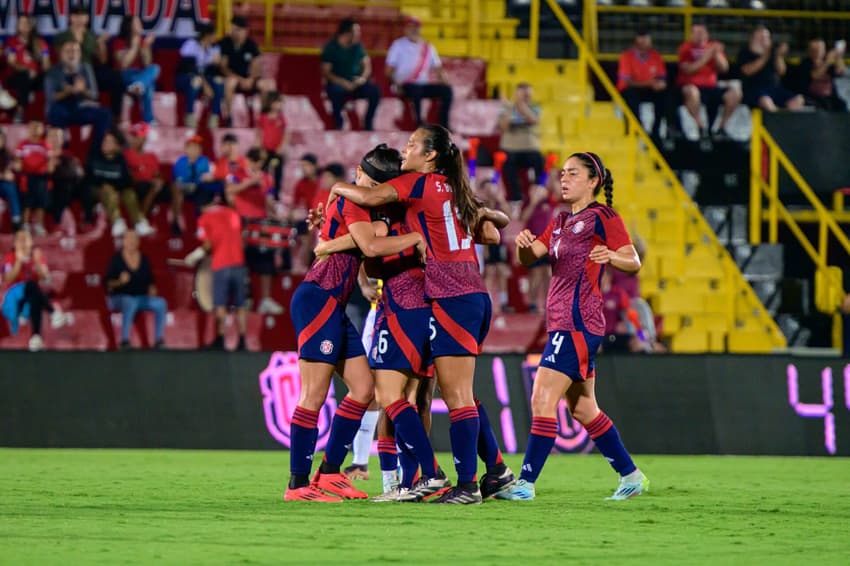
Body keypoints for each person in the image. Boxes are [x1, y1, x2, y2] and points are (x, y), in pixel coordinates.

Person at [329, 125, 506, 504]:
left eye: (412, 145)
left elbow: (368, 200)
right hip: (462, 293)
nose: (406, 149)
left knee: (447, 395)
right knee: (443, 394)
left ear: (430, 157)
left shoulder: (418, 184)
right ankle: (493, 471)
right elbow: (493, 235)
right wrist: (486, 213)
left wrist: (336, 189)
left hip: (450, 295)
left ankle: (462, 484)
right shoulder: (454, 190)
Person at [500, 151, 649, 501]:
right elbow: (531, 257)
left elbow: (634, 260)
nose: (563, 179)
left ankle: (524, 484)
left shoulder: (603, 216)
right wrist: (522, 247)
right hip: (561, 322)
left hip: (578, 321)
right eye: (562, 173)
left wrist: (611, 256)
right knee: (583, 408)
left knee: (542, 397)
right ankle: (630, 475)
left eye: (572, 173)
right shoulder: (561, 221)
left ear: (593, 180)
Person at [284, 144, 429, 502]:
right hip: (318, 298)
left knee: (364, 389)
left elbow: (365, 248)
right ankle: (299, 484)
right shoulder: (355, 202)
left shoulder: (357, 203)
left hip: (335, 303)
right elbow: (371, 246)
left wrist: (332, 245)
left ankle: (331, 473)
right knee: (313, 394)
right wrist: (414, 237)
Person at [224, 146, 283, 315]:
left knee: (266, 259)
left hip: (261, 222)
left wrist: (275, 207)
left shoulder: (266, 177)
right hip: (241, 222)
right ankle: (240, 299)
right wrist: (250, 182)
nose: (259, 166)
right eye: (257, 162)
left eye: (261, 163)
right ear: (249, 160)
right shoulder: (237, 173)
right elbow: (229, 190)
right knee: (241, 262)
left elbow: (270, 199)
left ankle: (265, 300)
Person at [185, 194, 248, 351]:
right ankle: (242, 341)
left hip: (221, 264)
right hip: (239, 264)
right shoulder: (233, 213)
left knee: (220, 304)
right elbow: (241, 239)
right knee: (240, 304)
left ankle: (221, 339)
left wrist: (195, 256)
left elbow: (207, 244)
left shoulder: (204, 218)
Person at [1, 230, 67, 351]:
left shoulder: (37, 257)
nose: (23, 243)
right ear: (15, 243)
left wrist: (36, 262)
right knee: (32, 286)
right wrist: (19, 261)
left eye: (25, 239)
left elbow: (45, 277)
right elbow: (8, 277)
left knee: (36, 294)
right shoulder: (9, 257)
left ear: (31, 242)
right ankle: (53, 313)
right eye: (20, 240)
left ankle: (36, 337)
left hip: (30, 299)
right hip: (14, 298)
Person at [53, 4, 121, 121]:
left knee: (115, 78)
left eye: (82, 16)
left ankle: (116, 116)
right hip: (70, 70)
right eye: (76, 16)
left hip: (90, 69)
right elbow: (59, 57)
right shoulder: (62, 36)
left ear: (87, 18)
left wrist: (101, 44)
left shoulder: (91, 36)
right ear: (70, 18)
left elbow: (102, 60)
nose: (79, 19)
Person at [385, 16, 453, 129]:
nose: (414, 30)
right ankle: (418, 124)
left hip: (423, 85)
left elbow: (438, 68)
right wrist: (396, 84)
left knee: (446, 91)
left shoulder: (428, 47)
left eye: (416, 27)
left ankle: (443, 124)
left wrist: (444, 80)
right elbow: (388, 70)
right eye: (411, 27)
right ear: (406, 29)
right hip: (404, 84)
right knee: (415, 90)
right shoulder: (398, 45)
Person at [677, 23, 742, 138]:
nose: (699, 36)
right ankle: (700, 127)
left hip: (711, 86)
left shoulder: (713, 47)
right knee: (691, 92)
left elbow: (724, 68)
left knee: (735, 93)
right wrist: (708, 55)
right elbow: (689, 69)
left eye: (702, 32)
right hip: (691, 85)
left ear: (707, 34)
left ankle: (722, 127)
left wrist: (716, 54)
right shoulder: (685, 48)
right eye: (696, 33)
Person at [105, 229, 167, 349]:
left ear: (138, 242)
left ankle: (159, 339)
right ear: (124, 241)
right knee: (129, 301)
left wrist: (152, 288)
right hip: (118, 298)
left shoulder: (144, 259)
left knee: (160, 303)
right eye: (129, 239)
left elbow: (150, 280)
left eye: (134, 239)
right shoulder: (116, 259)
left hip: (140, 298)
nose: (132, 242)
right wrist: (119, 281)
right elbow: (108, 284)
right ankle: (124, 340)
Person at [45, 40, 111, 147]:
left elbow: (94, 95)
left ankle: (96, 148)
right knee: (55, 113)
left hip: (80, 107)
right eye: (69, 51)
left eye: (76, 51)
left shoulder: (86, 68)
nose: (72, 54)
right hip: (60, 108)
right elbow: (51, 97)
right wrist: (68, 91)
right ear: (62, 54)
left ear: (80, 54)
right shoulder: (53, 71)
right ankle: (62, 148)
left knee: (105, 114)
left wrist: (83, 90)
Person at [320, 18, 381, 131]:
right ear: (347, 33)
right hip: (338, 83)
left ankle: (368, 123)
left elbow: (367, 65)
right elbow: (326, 72)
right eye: (356, 32)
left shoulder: (358, 47)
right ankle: (338, 123)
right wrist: (343, 83)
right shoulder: (331, 47)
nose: (359, 35)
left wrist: (362, 79)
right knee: (335, 91)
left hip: (356, 83)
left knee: (375, 91)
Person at [85, 130, 143, 237]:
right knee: (109, 191)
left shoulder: (121, 160)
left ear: (117, 146)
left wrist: (114, 187)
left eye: (110, 141)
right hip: (96, 190)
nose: (106, 143)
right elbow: (89, 178)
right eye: (105, 141)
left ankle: (139, 222)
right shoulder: (94, 156)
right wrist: (105, 184)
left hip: (115, 190)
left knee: (129, 193)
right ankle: (117, 221)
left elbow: (126, 181)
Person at [218, 16, 276, 124]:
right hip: (234, 78)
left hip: (249, 79)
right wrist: (240, 79)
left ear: (245, 31)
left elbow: (256, 66)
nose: (235, 32)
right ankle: (228, 117)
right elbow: (223, 67)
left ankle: (264, 117)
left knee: (268, 85)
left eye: (238, 30)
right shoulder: (225, 43)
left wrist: (251, 79)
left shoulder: (251, 45)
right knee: (230, 83)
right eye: (233, 29)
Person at [738, 25, 804, 112]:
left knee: (798, 99)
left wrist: (779, 56)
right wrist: (766, 55)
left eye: (766, 37)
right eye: (761, 38)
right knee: (766, 101)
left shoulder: (773, 54)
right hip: (754, 90)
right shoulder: (745, 53)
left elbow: (781, 71)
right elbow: (747, 71)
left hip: (773, 88)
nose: (764, 40)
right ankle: (776, 119)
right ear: (752, 38)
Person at [499, 83, 545, 202]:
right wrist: (510, 108)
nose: (525, 95)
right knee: (507, 162)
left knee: (539, 159)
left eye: (527, 93)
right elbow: (503, 126)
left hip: (529, 150)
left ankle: (537, 188)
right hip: (511, 150)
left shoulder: (535, 107)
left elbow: (533, 120)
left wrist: (520, 104)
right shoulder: (507, 108)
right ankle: (516, 198)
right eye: (522, 93)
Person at [617, 30, 667, 138]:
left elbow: (661, 77)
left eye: (647, 39)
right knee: (630, 95)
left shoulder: (655, 56)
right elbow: (628, 82)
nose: (645, 42)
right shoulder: (626, 56)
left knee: (665, 95)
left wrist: (661, 84)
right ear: (636, 41)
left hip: (649, 88)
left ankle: (657, 129)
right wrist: (649, 83)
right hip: (632, 89)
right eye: (642, 39)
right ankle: (637, 128)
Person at [113, 15, 160, 124]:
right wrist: (134, 46)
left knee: (155, 68)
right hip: (125, 75)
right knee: (148, 85)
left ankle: (138, 85)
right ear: (129, 26)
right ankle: (148, 119)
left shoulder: (142, 41)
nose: (140, 25)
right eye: (137, 23)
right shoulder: (119, 41)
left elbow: (147, 64)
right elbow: (124, 64)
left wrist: (146, 46)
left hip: (140, 75)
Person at [176, 23, 225, 129]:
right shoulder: (190, 45)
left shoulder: (212, 49)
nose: (215, 38)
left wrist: (218, 63)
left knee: (219, 81)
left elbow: (212, 70)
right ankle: (189, 115)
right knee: (196, 80)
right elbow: (190, 68)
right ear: (207, 35)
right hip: (185, 77)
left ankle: (214, 116)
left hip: (201, 77)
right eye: (214, 35)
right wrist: (205, 86)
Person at [520, 182, 558, 313]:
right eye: (533, 190)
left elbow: (557, 188)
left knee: (548, 273)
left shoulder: (549, 201)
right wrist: (533, 202)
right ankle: (532, 303)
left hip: (547, 243)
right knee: (535, 274)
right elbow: (523, 218)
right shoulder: (528, 204)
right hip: (533, 243)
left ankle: (549, 302)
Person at [5, 14, 50, 123]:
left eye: (27, 23)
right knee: (23, 76)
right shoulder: (12, 42)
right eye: (22, 23)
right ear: (18, 25)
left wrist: (43, 69)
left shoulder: (40, 42)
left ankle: (49, 111)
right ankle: (20, 110)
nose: (25, 26)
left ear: (32, 26)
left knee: (49, 78)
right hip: (17, 76)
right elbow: (12, 62)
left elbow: (46, 63)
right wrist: (26, 70)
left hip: (35, 76)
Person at [477, 179, 513, 316]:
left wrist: (501, 200)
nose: (489, 192)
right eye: (486, 189)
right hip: (485, 242)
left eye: (491, 189)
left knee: (501, 270)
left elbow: (510, 217)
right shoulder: (480, 206)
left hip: (499, 243)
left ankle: (504, 302)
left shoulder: (499, 205)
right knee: (488, 271)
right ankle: (488, 301)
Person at [171, 135, 217, 233]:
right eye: (192, 147)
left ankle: (201, 225)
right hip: (184, 189)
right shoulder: (180, 162)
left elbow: (206, 177)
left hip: (199, 188)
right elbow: (180, 180)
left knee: (205, 190)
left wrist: (198, 181)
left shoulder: (204, 161)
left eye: (197, 147)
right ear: (186, 149)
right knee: (177, 190)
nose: (194, 150)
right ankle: (177, 221)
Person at [15, 120, 52, 237]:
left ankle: (39, 225)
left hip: (41, 177)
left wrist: (49, 168)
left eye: (38, 127)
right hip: (26, 176)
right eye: (32, 127)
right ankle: (25, 225)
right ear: (28, 129)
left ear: (42, 130)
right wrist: (18, 165)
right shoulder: (22, 144)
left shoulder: (45, 144)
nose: (35, 130)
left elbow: (50, 160)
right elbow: (18, 159)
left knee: (41, 201)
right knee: (27, 201)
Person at [123, 122, 160, 236]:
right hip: (134, 184)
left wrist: (158, 180)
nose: (134, 139)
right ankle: (140, 221)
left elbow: (157, 174)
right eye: (132, 136)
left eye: (137, 136)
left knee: (160, 185)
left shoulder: (151, 156)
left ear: (144, 139)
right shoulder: (126, 154)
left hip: (150, 185)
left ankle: (141, 221)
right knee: (147, 186)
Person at [47, 127, 85, 233]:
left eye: (57, 137)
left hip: (67, 189)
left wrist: (55, 170)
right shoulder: (43, 154)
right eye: (52, 136)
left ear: (62, 140)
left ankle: (87, 218)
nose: (54, 140)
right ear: (46, 139)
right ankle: (56, 222)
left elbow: (75, 173)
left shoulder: (69, 156)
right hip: (47, 188)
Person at [799, 38, 847, 112]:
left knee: (842, 105)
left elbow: (840, 72)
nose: (818, 52)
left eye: (820, 49)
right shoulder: (805, 64)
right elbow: (815, 76)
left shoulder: (827, 63)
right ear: (809, 51)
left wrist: (838, 57)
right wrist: (827, 62)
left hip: (831, 96)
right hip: (813, 96)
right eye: (815, 49)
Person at [255, 91, 288, 197]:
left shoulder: (281, 118)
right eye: (275, 102)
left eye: (279, 102)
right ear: (269, 103)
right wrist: (260, 150)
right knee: (263, 172)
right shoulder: (262, 117)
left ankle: (276, 195)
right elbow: (259, 134)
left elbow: (285, 134)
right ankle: (262, 193)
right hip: (265, 151)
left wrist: (281, 148)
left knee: (277, 173)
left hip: (277, 152)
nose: (277, 105)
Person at [0, 129, 21, 231]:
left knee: (11, 188)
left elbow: (12, 170)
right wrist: (3, 176)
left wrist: (15, 167)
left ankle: (16, 220)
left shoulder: (7, 154)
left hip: (4, 184)